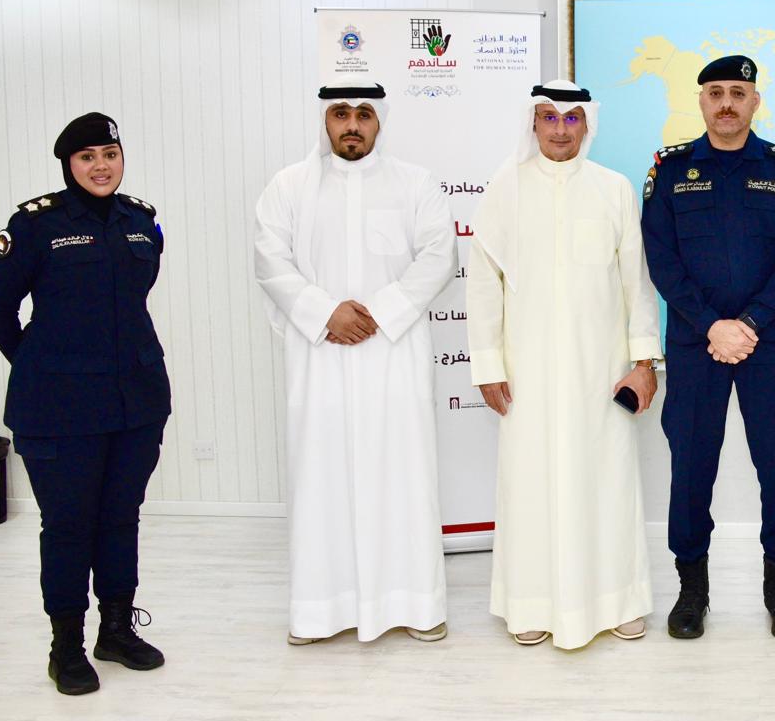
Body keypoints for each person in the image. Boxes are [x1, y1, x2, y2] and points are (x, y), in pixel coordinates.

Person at [253, 81, 457, 646]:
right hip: (319, 355)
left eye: (363, 114)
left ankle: (415, 606)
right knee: (321, 480)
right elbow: (270, 260)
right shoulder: (288, 187)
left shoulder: (415, 183)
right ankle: (320, 612)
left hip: (394, 353)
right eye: (340, 113)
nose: (351, 124)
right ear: (324, 120)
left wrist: (380, 313)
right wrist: (326, 313)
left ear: (379, 121)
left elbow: (439, 255)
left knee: (403, 478)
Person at [466, 81, 662, 648]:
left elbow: (637, 282)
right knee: (529, 483)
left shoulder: (613, 188)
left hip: (601, 370)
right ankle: (530, 604)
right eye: (549, 117)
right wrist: (488, 364)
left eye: (571, 118)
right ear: (533, 123)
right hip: (526, 372)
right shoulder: (504, 188)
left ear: (586, 125)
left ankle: (618, 600)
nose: (559, 129)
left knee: (608, 483)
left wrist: (645, 361)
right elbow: (483, 282)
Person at [0, 112, 169, 695]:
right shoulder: (36, 225)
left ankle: (115, 630)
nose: (100, 166)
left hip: (135, 402)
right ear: (68, 165)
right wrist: (40, 366)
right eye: (87, 157)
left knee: (121, 516)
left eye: (109, 154)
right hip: (60, 410)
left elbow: (134, 298)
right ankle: (65, 647)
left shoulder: (141, 222)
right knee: (68, 525)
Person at [640, 54, 775, 640]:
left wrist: (748, 323)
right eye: (715, 92)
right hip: (697, 344)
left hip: (770, 342)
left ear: (754, 102)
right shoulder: (670, 171)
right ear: (701, 100)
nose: (725, 103)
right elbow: (662, 260)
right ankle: (691, 589)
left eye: (737, 93)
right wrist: (712, 325)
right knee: (692, 465)